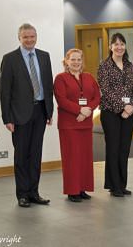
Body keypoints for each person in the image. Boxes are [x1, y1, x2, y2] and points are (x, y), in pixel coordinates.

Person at [0, 23, 54, 208]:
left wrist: (49, 111)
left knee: (36, 154)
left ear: (36, 36)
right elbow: (5, 91)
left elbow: (48, 86)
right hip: (19, 115)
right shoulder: (10, 59)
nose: (29, 40)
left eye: (32, 36)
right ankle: (22, 194)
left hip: (40, 111)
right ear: (19, 38)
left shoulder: (44, 56)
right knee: (21, 155)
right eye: (26, 37)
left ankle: (34, 192)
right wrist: (7, 118)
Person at [53, 49, 100, 202]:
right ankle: (72, 191)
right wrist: (80, 110)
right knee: (71, 158)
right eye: (73, 59)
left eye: (79, 59)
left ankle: (82, 188)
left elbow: (97, 96)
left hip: (85, 124)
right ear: (66, 61)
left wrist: (87, 111)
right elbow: (61, 99)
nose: (76, 62)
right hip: (69, 124)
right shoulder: (60, 78)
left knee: (85, 158)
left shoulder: (88, 77)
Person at [98, 33, 133, 197]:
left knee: (124, 149)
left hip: (128, 113)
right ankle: (114, 186)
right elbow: (106, 91)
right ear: (110, 47)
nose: (119, 47)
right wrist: (123, 107)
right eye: (116, 44)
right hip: (110, 113)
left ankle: (122, 184)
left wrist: (130, 107)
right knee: (113, 149)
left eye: (122, 44)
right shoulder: (104, 66)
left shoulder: (129, 65)